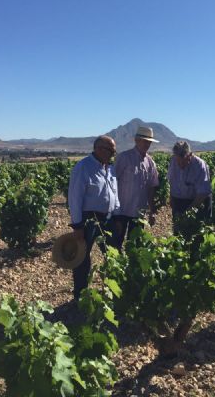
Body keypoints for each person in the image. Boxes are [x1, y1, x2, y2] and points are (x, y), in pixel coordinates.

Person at [68, 135, 119, 301]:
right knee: (82, 258)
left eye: (114, 151)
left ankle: (114, 291)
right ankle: (80, 296)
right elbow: (75, 198)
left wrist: (116, 213)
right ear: (98, 149)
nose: (113, 154)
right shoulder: (83, 167)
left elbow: (114, 193)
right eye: (110, 150)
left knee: (113, 254)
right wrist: (77, 226)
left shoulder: (109, 168)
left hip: (109, 218)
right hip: (88, 219)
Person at [110, 126, 159, 249]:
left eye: (149, 142)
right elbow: (112, 182)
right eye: (145, 141)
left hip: (139, 213)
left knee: (135, 247)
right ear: (136, 140)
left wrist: (152, 211)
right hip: (121, 211)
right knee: (116, 243)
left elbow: (151, 187)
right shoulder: (124, 158)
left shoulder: (150, 162)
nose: (147, 144)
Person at [168, 141, 212, 226]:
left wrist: (188, 211)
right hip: (179, 199)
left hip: (198, 200)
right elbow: (171, 181)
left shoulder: (199, 165)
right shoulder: (173, 161)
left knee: (197, 231)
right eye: (178, 162)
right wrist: (171, 198)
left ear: (190, 155)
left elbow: (202, 193)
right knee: (178, 230)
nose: (180, 165)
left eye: (184, 162)